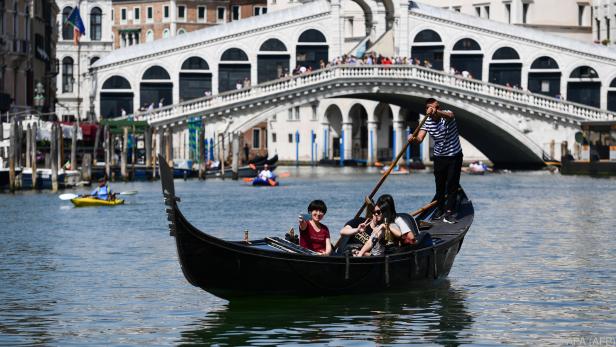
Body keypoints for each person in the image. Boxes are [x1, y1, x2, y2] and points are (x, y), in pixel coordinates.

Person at [409, 98, 463, 224]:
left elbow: (450, 115)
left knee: (452, 185)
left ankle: (449, 212)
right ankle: (440, 209)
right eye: (435, 107)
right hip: (439, 156)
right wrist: (413, 139)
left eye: (438, 107)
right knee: (440, 185)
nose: (438, 109)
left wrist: (436, 112)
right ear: (427, 109)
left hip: (454, 155)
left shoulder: (446, 115)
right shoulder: (427, 121)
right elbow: (420, 138)